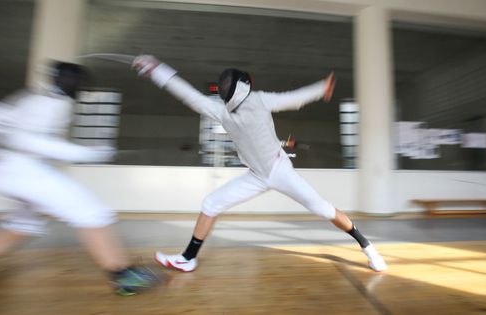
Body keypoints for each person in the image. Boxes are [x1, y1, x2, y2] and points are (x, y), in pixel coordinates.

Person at [133, 55, 387, 272]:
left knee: (323, 209)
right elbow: (292, 98)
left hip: (280, 170)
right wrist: (321, 88)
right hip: (256, 175)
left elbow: (292, 99)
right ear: (244, 85)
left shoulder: (238, 106)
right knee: (211, 203)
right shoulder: (231, 108)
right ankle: (188, 259)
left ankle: (367, 246)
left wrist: (157, 69)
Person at [0, 61, 160, 295]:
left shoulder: (31, 97)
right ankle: (124, 275)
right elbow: (26, 141)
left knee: (23, 225)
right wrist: (88, 153)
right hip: (20, 169)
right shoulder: (52, 102)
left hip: (5, 169)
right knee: (92, 212)